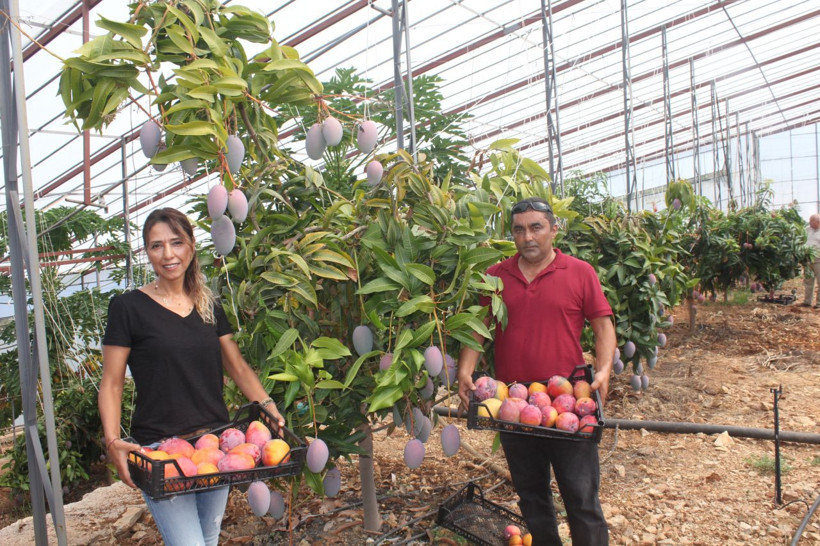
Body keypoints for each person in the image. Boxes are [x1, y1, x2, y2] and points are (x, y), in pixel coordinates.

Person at [99, 207, 285, 546]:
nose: (168, 254)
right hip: (161, 452)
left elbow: (238, 367)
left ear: (191, 246)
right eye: (156, 246)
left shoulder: (208, 304)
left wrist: (268, 406)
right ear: (147, 252)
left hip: (214, 444)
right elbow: (111, 382)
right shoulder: (127, 308)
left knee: (209, 537)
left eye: (176, 242)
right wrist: (112, 440)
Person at [457, 197, 616, 546]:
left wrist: (604, 371)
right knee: (531, 496)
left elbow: (603, 326)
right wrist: (465, 370)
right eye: (519, 230)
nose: (527, 237)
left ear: (554, 230)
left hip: (569, 403)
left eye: (536, 227)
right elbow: (476, 328)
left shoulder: (579, 272)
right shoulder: (496, 277)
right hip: (514, 404)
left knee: (581, 496)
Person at [801, 213, 820, 308]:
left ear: (818, 222)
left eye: (811, 221)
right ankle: (807, 301)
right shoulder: (807, 229)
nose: (809, 222)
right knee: (808, 281)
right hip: (808, 259)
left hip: (818, 260)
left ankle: (819, 303)